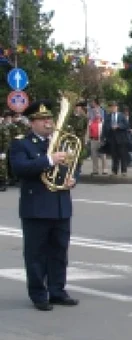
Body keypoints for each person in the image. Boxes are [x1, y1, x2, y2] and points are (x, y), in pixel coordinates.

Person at [9, 100, 78, 311]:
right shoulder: (22, 144)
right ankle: (39, 294)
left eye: (49, 118)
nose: (48, 123)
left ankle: (57, 290)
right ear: (32, 123)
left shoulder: (59, 143)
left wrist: (73, 179)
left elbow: (73, 166)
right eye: (42, 120)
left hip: (60, 205)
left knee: (59, 252)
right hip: (36, 208)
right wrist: (49, 160)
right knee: (36, 254)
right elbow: (20, 168)